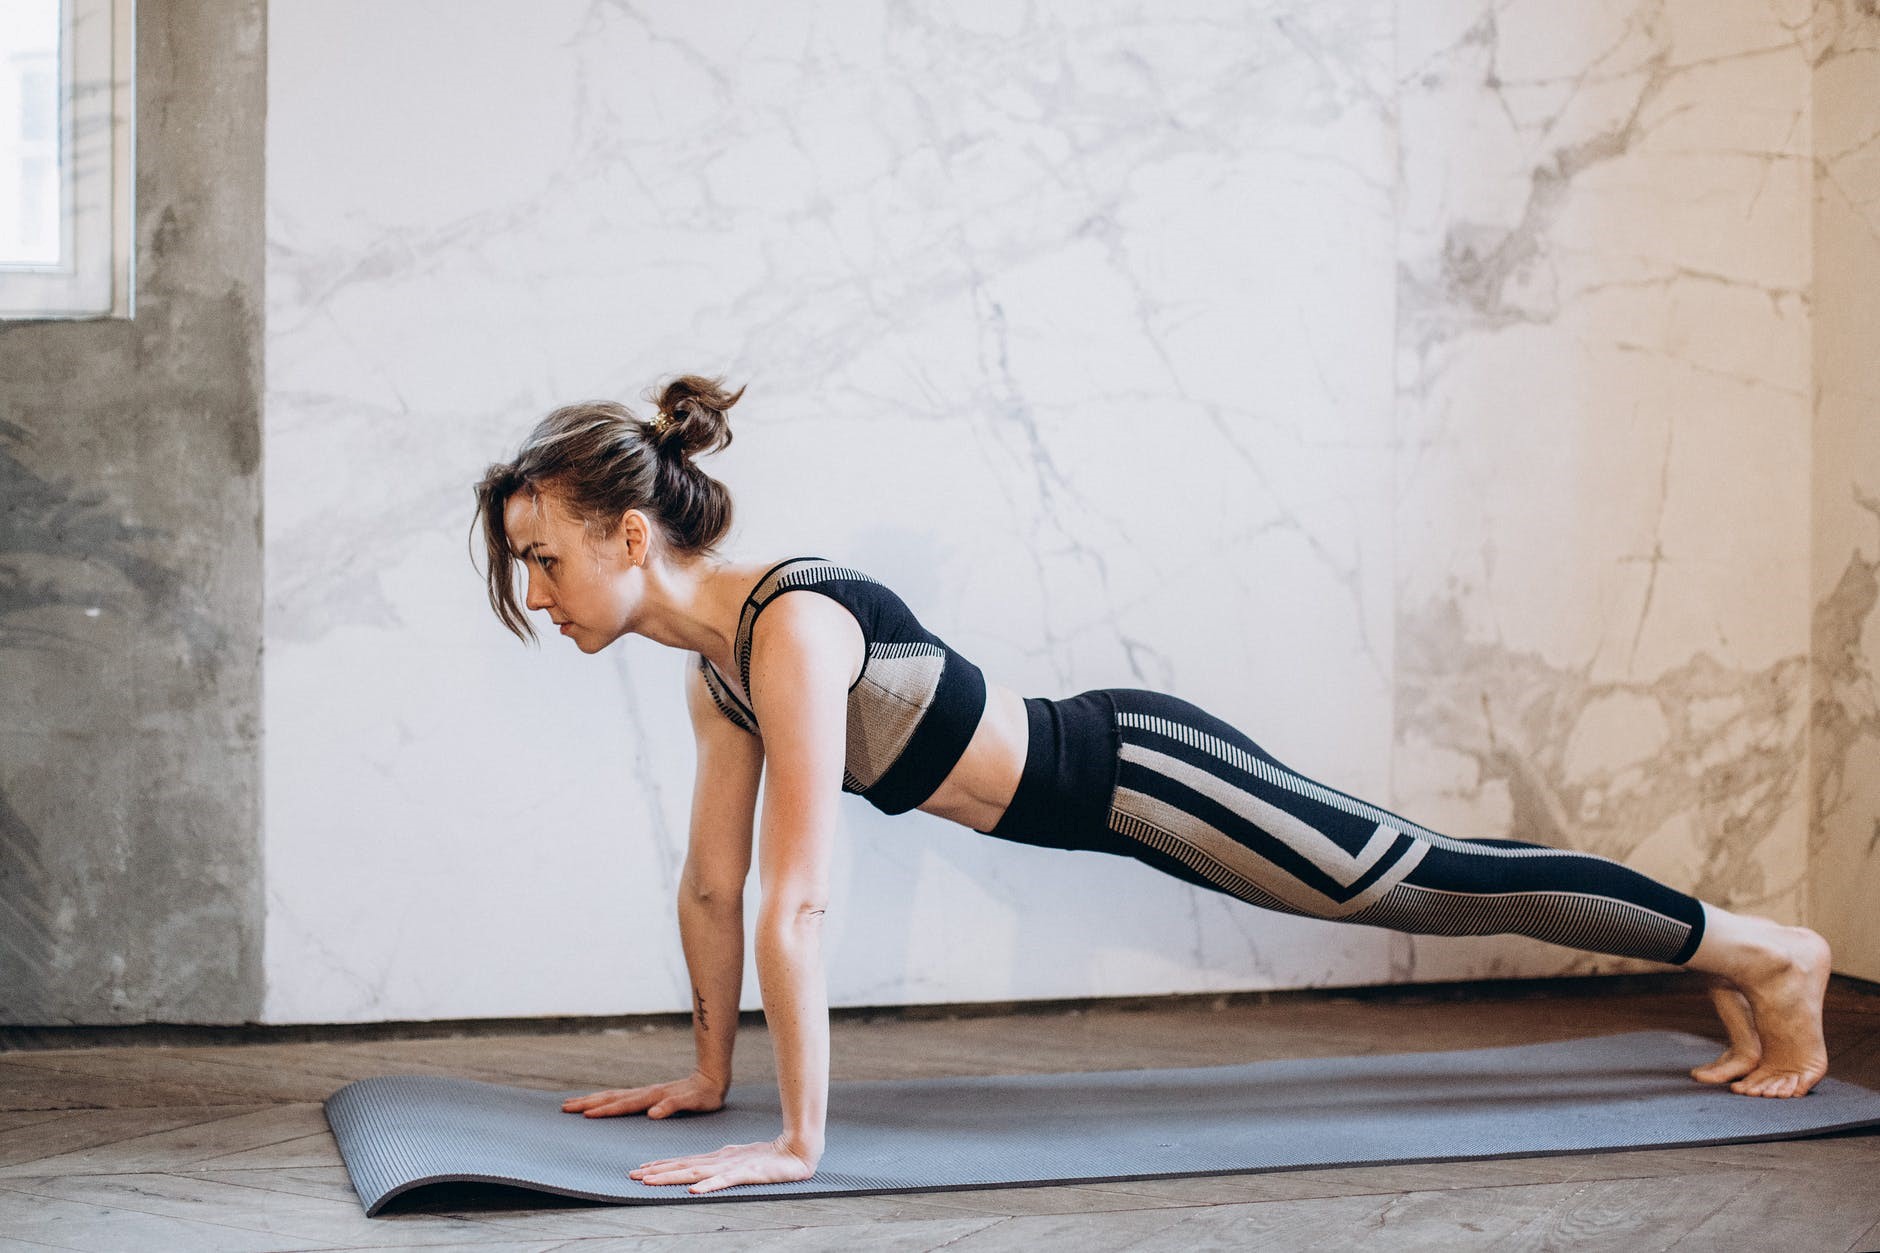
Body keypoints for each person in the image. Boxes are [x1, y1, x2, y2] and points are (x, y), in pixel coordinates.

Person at [469, 374, 1832, 1196]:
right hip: (1117, 804)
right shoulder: (720, 668)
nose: (538, 594)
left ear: (630, 534)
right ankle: (1732, 953)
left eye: (544, 559)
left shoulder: (793, 630)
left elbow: (800, 896)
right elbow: (716, 879)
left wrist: (798, 1140)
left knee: (1425, 880)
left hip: (1151, 771)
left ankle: (1770, 951)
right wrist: (711, 1075)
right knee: (1427, 881)